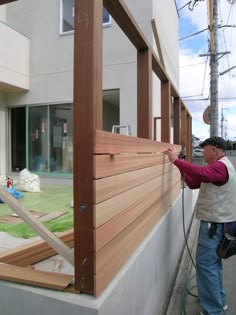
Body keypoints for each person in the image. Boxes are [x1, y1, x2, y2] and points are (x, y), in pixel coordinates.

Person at [164, 136, 236, 315]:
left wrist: (177, 160)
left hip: (215, 225)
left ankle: (214, 310)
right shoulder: (220, 166)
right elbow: (195, 182)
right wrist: (181, 168)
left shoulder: (220, 166)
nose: (202, 152)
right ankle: (218, 302)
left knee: (206, 266)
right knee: (213, 264)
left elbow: (201, 175)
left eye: (205, 149)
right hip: (221, 224)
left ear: (214, 149)